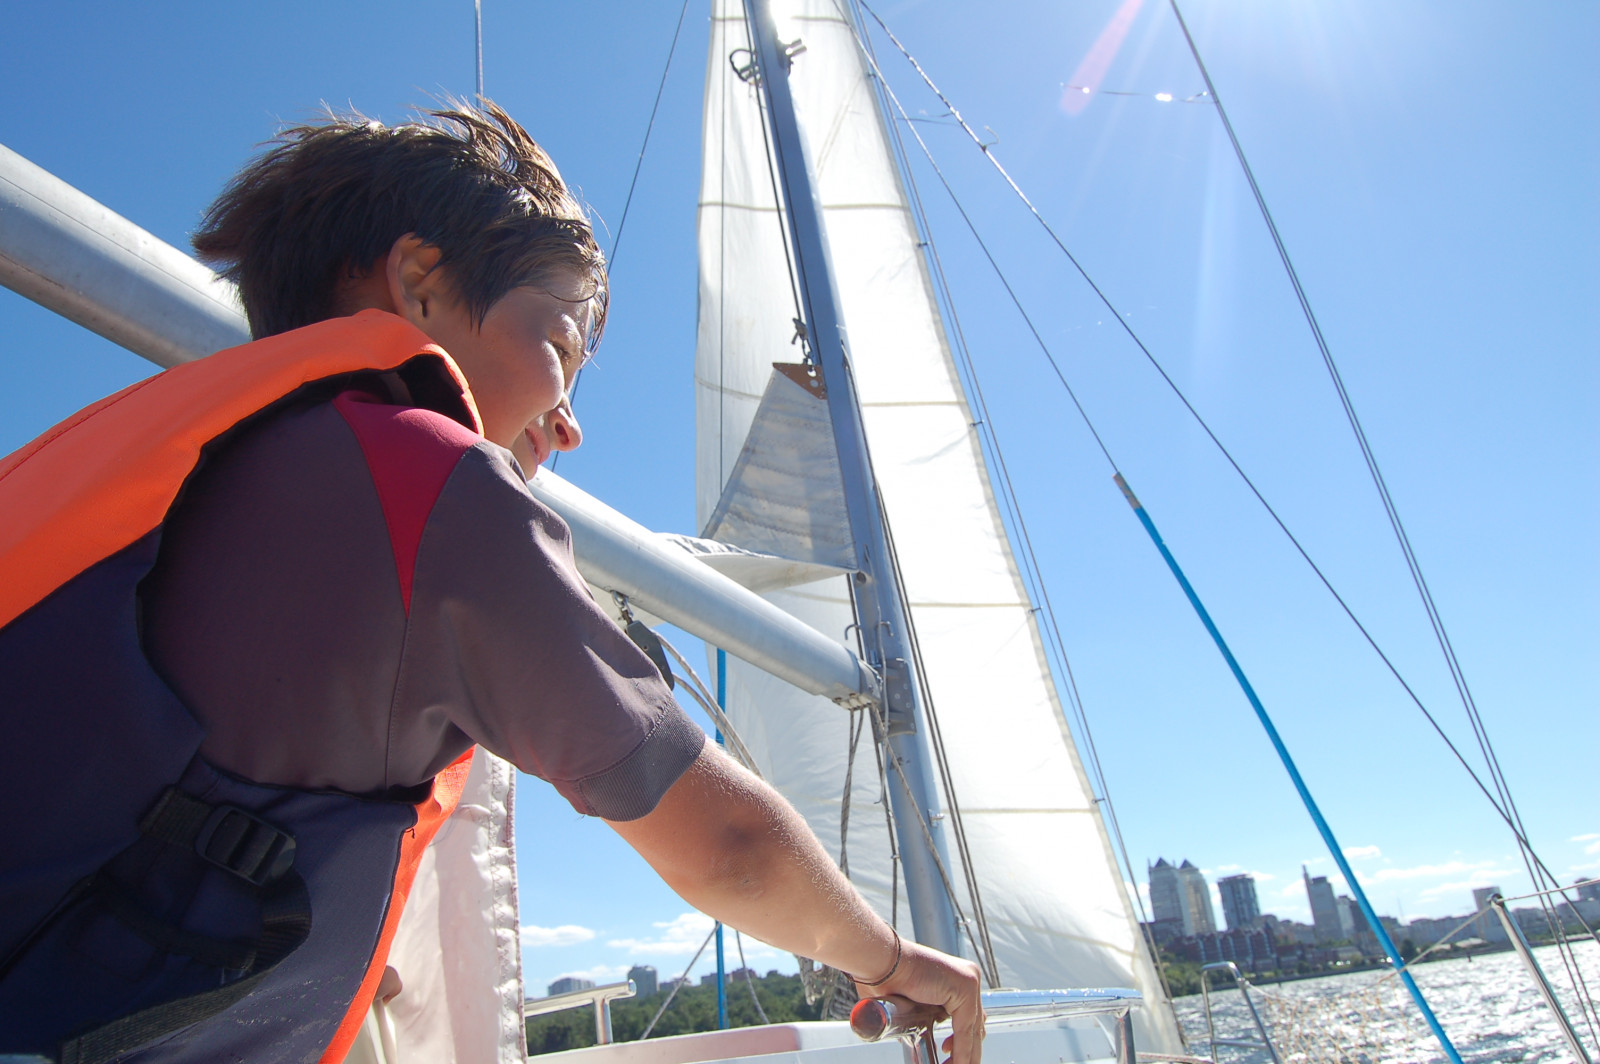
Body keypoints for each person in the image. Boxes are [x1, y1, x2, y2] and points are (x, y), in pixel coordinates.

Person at [0, 102, 982, 1063]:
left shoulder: (187, 473)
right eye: (560, 346)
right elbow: (728, 845)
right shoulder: (418, 476)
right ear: (420, 283)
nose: (569, 424)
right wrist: (893, 961)